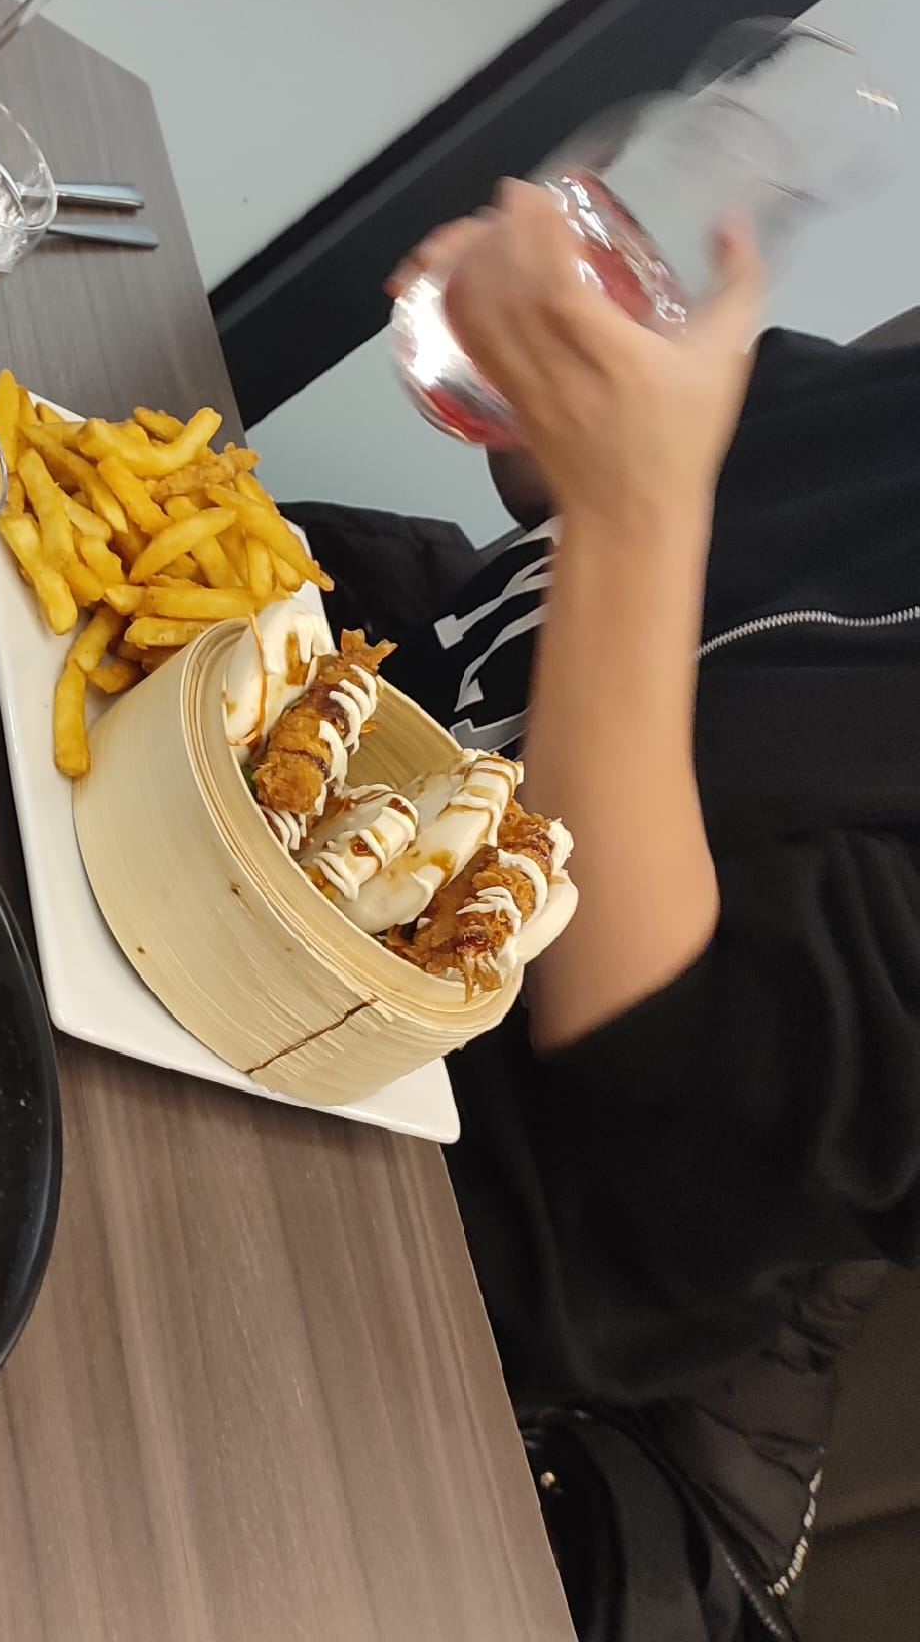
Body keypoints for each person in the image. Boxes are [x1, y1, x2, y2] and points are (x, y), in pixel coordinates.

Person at [295, 181, 920, 1642]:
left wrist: (638, 500)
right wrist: (553, 371)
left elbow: (659, 1035)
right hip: (352, 751)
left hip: (431, 1185)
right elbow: (586, 482)